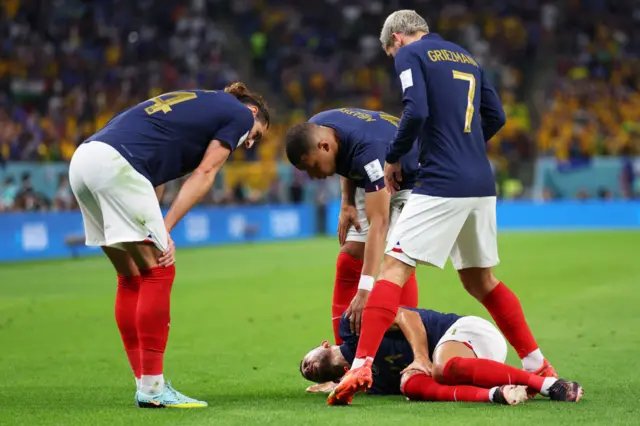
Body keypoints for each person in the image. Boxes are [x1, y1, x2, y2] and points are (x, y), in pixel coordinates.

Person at [329, 10, 557, 405]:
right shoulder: (465, 56)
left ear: (397, 39)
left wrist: (395, 157)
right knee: (480, 280)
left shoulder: (409, 54)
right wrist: (464, 144)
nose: (392, 58)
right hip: (481, 182)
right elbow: (496, 116)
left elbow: (414, 110)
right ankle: (538, 365)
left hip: (441, 182)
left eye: (389, 52)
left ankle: (360, 365)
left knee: (393, 269)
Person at [68, 83, 270, 408]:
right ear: (253, 112)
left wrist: (158, 222)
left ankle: (144, 383)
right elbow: (205, 173)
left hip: (85, 160)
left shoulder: (198, 103)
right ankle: (152, 389)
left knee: (131, 275)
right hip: (118, 166)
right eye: (256, 135)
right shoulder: (239, 115)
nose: (249, 142)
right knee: (160, 269)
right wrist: (166, 227)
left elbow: (155, 176)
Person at [285, 108, 420, 345]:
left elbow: (379, 223)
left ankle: (402, 359)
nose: (313, 176)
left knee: (396, 262)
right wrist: (346, 202)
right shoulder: (318, 127)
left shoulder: (369, 153)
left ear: (323, 147)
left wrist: (365, 290)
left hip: (411, 178)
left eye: (313, 166)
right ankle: (342, 359)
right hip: (373, 170)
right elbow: (345, 155)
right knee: (349, 259)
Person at [301, 308, 584, 405]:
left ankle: (549, 385)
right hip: (477, 366)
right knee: (409, 385)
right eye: (308, 373)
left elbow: (405, 315)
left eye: (306, 362)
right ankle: (496, 393)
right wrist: (334, 383)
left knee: (440, 368)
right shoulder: (365, 383)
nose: (309, 368)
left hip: (466, 332)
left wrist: (421, 357)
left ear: (324, 344)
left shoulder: (350, 328)